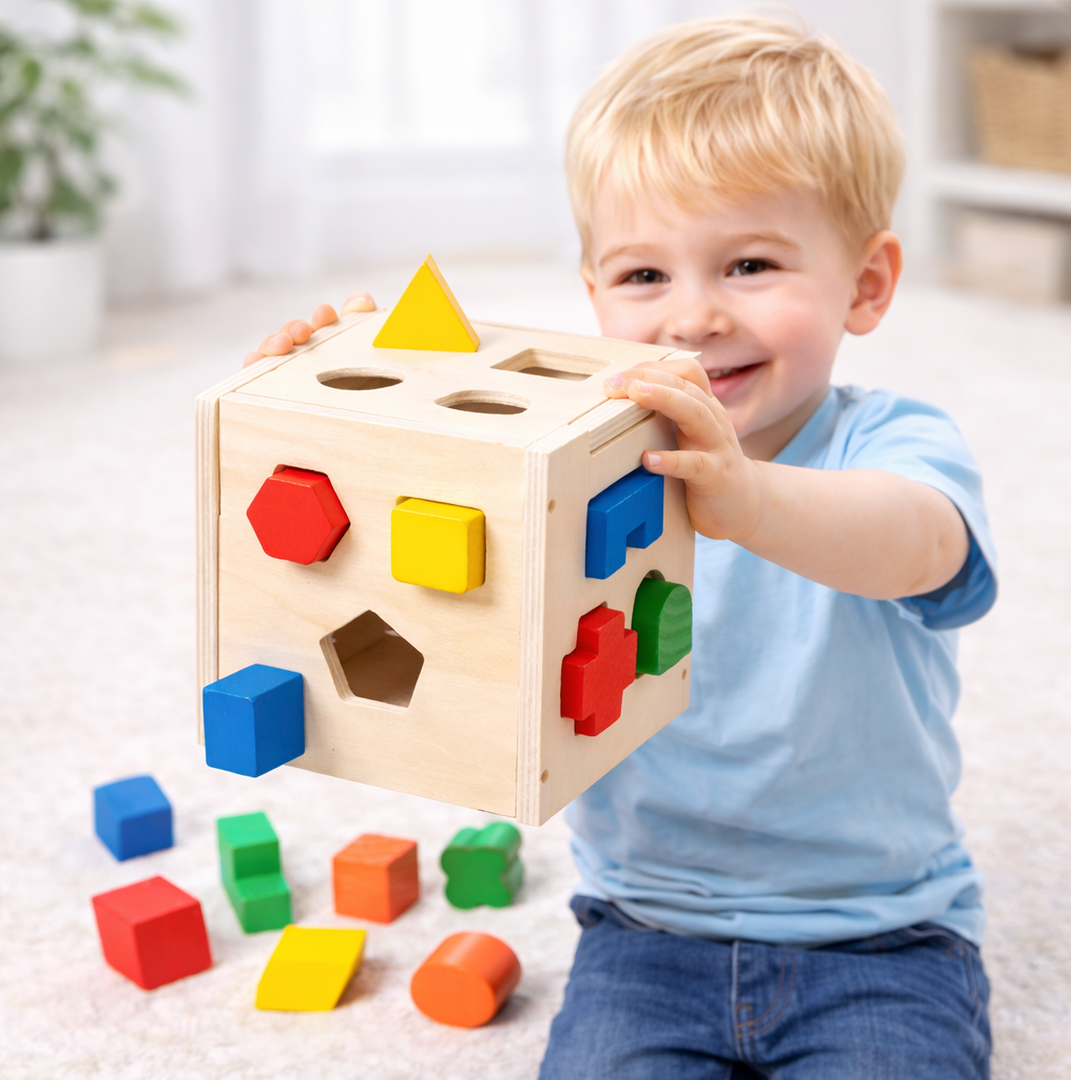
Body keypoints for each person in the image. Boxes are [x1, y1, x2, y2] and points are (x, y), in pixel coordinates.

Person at [244, 16, 996, 1077]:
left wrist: (749, 502)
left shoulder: (891, 443)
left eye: (748, 263)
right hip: (647, 934)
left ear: (867, 285)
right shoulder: (575, 458)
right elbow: (426, 536)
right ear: (592, 295)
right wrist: (311, 405)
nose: (692, 318)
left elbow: (922, 547)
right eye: (645, 278)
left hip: (877, 934)